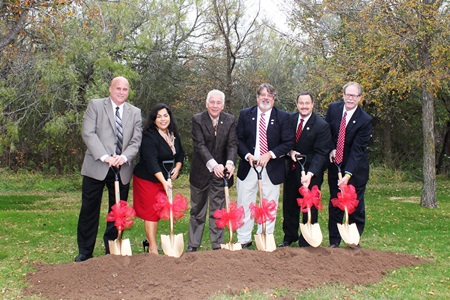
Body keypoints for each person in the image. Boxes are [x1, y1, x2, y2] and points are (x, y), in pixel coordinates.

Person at [75, 76, 143, 262]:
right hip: (97, 166)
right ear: (110, 89)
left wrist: (123, 157)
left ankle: (111, 248)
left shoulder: (135, 112)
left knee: (117, 212)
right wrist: (105, 157)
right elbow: (88, 133)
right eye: (118, 88)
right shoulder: (96, 106)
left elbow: (136, 141)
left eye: (125, 89)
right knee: (89, 210)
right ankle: (85, 252)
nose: (121, 92)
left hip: (121, 170)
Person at [235, 83, 294, 248]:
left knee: (268, 204)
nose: (266, 98)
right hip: (249, 167)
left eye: (269, 96)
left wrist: (270, 154)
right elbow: (238, 139)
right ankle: (243, 239)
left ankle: (265, 236)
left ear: (273, 99)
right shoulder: (246, 114)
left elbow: (288, 142)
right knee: (244, 202)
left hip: (272, 167)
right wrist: (247, 155)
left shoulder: (283, 117)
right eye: (262, 95)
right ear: (257, 97)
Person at [187, 90, 238, 252]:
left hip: (222, 174)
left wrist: (230, 163)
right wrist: (213, 164)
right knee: (197, 210)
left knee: (218, 210)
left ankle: (217, 244)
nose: (215, 106)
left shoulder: (230, 120)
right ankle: (193, 244)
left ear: (222, 105)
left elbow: (232, 144)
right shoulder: (198, 120)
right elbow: (199, 145)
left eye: (218, 103)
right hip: (201, 172)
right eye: (212, 102)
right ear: (206, 103)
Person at [279, 92, 331, 247]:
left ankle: (306, 239)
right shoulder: (289, 119)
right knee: (289, 204)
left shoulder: (322, 126)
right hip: (291, 170)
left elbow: (322, 153)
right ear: (297, 104)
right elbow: (284, 141)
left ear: (313, 104)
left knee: (309, 205)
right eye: (301, 103)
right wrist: (289, 152)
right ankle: (289, 236)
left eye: (307, 103)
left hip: (311, 172)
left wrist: (310, 174)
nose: (304, 106)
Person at [133, 103, 184, 255]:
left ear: (170, 117)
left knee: (157, 213)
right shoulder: (149, 135)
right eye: (159, 116)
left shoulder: (172, 133)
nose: (163, 119)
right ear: (153, 119)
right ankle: (153, 248)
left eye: (165, 115)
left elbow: (180, 154)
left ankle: (152, 243)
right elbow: (151, 161)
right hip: (147, 179)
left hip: (164, 178)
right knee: (150, 212)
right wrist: (164, 182)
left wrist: (178, 167)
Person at [326, 81, 372, 248]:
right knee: (336, 203)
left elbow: (357, 151)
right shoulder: (333, 109)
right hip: (335, 165)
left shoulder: (365, 120)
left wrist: (347, 175)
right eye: (348, 94)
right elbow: (328, 132)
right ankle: (334, 241)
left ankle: (354, 239)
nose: (350, 98)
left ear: (359, 98)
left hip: (356, 170)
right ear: (343, 95)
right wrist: (331, 149)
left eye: (354, 95)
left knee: (355, 205)